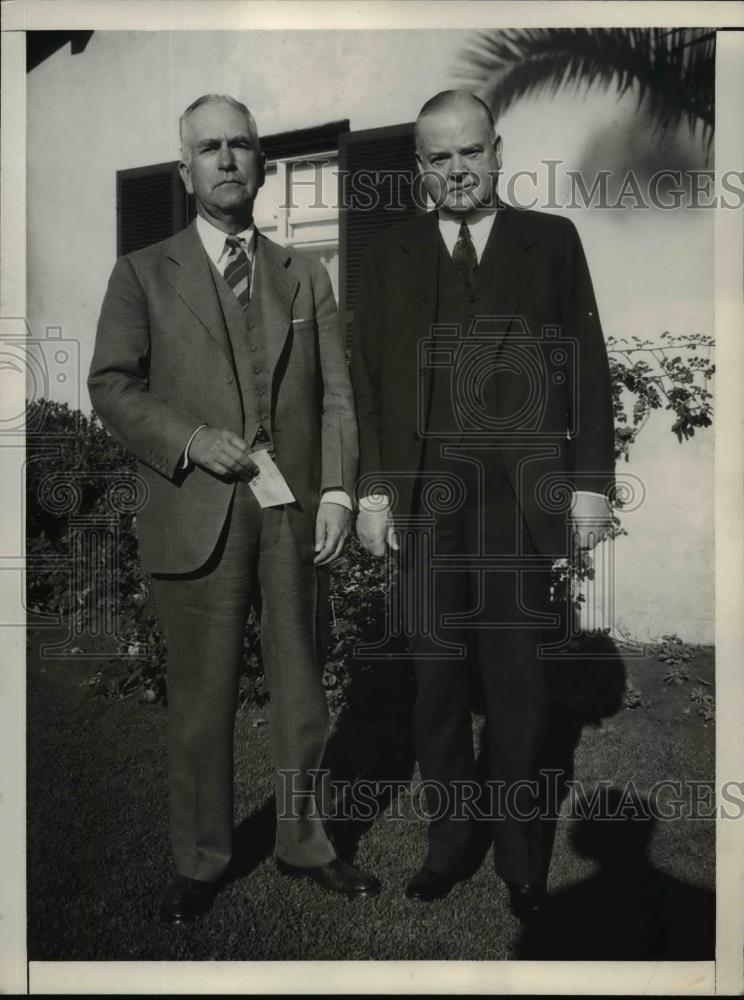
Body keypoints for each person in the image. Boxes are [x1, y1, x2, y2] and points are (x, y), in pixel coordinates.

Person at [89, 94, 379, 924]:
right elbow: (111, 384)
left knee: (302, 691)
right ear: (185, 170)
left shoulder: (305, 274)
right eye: (209, 147)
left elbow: (337, 395)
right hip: (197, 509)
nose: (226, 159)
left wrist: (337, 491)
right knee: (200, 698)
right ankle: (202, 857)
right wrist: (189, 439)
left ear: (261, 164)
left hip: (293, 512)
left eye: (241, 145)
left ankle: (305, 843)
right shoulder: (142, 272)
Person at [351, 90, 614, 919]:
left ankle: (521, 859)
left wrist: (590, 486)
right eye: (440, 157)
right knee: (435, 687)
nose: (458, 169)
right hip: (425, 504)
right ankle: (448, 847)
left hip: (516, 506)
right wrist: (373, 492)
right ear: (419, 168)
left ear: (498, 151)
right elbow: (366, 382)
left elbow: (588, 367)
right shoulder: (387, 253)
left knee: (518, 688)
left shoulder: (551, 241)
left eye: (471, 151)